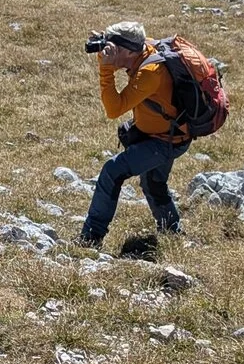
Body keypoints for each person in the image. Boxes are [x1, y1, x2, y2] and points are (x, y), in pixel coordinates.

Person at [79, 22, 191, 249]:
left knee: (113, 171)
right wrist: (106, 38)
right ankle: (173, 232)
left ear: (129, 51)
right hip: (169, 132)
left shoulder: (150, 72)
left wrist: (106, 70)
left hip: (166, 140)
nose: (107, 51)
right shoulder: (141, 48)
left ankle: (91, 237)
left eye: (113, 47)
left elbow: (114, 109)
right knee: (153, 182)